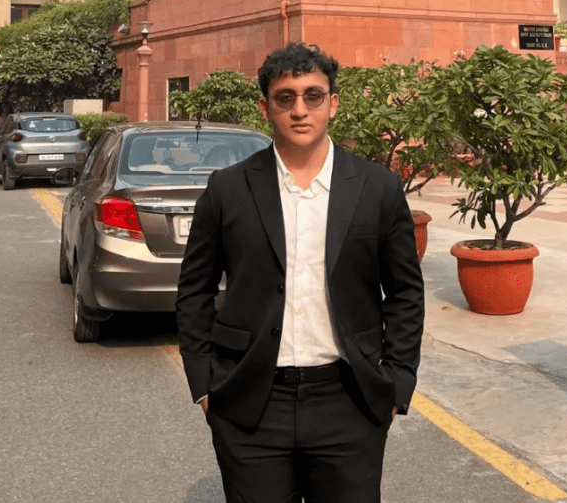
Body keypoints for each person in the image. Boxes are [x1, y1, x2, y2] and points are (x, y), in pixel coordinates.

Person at [176, 42, 425, 503]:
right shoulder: (228, 189)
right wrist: (204, 384)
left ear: (333, 103)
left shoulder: (378, 188)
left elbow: (406, 292)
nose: (299, 110)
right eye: (285, 97)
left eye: (313, 95)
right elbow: (194, 290)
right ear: (265, 108)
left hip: (348, 401)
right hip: (250, 405)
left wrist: (398, 381)